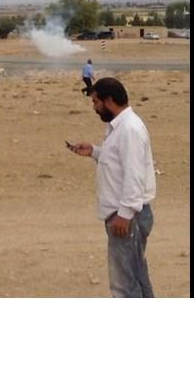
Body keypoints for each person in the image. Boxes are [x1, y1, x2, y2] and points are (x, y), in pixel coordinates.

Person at [68, 77, 156, 297]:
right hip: (124, 215)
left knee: (123, 285)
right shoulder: (118, 127)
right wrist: (95, 152)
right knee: (136, 277)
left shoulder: (130, 129)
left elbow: (134, 175)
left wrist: (125, 215)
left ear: (109, 100)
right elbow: (120, 163)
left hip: (127, 217)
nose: (95, 108)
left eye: (96, 102)